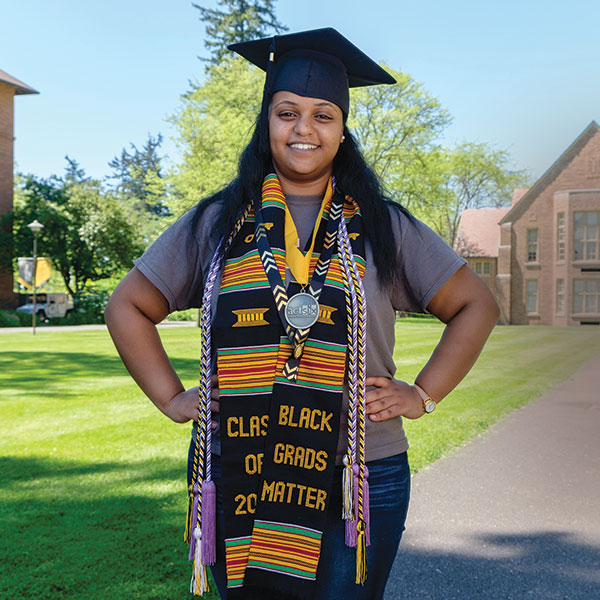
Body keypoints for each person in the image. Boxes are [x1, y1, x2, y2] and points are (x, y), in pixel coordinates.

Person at [105, 27, 499, 600]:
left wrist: (423, 394)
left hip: (356, 472)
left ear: (342, 132)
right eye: (287, 112)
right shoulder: (217, 222)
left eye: (323, 116)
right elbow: (127, 305)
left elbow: (475, 305)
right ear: (267, 123)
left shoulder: (383, 226)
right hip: (240, 462)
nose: (304, 129)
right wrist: (171, 397)